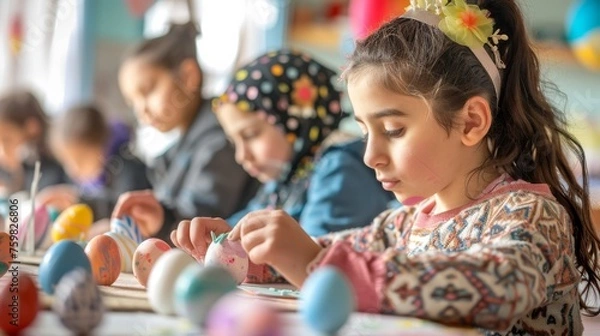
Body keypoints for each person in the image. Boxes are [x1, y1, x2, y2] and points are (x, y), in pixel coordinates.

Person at [171, 1, 600, 334]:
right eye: (365, 131)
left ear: (471, 122)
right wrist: (238, 253)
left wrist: (317, 266)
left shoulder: (530, 214)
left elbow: (501, 286)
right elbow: (318, 254)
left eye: (393, 129)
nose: (369, 155)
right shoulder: (401, 226)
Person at [167, 49, 393, 251]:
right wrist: (219, 237)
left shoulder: (338, 170)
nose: (241, 155)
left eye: (251, 135)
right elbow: (243, 227)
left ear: (294, 120)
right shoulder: (284, 181)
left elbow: (316, 258)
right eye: (234, 142)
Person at [113, 22, 260, 241]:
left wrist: (159, 222)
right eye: (132, 102)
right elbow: (154, 196)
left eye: (147, 91)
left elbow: (199, 223)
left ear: (189, 76)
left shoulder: (221, 138)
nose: (141, 110)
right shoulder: (184, 144)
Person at [37, 104, 152, 221]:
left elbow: (126, 209)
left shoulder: (128, 171)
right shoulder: (84, 177)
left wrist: (79, 202)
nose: (73, 170)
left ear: (101, 145)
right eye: (66, 162)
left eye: (80, 160)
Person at [0, 90, 68, 196]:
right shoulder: (6, 171)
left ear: (32, 128)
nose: (2, 152)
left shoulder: (57, 167)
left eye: (8, 140)